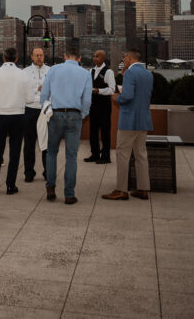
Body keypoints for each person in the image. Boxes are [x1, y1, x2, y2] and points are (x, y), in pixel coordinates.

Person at [40, 44, 92, 205]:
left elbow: (44, 94)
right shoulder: (85, 73)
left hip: (55, 114)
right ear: (79, 58)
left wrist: (46, 111)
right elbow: (87, 100)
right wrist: (82, 115)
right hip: (74, 115)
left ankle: (50, 187)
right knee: (71, 156)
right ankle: (69, 194)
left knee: (51, 152)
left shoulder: (54, 70)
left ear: (65, 56)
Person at [103, 49, 154, 201]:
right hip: (143, 120)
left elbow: (128, 96)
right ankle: (143, 189)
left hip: (129, 121)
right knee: (141, 155)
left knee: (123, 155)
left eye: (125, 57)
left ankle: (121, 189)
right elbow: (141, 95)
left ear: (130, 58)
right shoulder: (148, 74)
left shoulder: (131, 73)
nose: (123, 60)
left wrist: (116, 98)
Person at [0, 47, 27, 194]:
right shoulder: (23, 74)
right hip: (18, 115)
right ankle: (10, 185)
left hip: (0, 115)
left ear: (3, 58)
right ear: (16, 58)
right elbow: (28, 98)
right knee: (14, 151)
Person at [23, 47, 50, 183]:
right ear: (32, 57)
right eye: (36, 55)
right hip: (30, 109)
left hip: (45, 109)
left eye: (41, 55)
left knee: (46, 143)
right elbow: (22, 89)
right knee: (29, 143)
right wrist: (37, 88)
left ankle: (47, 172)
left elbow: (53, 88)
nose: (39, 57)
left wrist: (43, 89)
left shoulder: (50, 71)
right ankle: (29, 172)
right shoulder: (25, 72)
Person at [85, 50, 117, 165]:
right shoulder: (91, 71)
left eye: (97, 56)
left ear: (103, 58)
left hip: (104, 106)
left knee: (105, 132)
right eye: (94, 56)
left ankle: (106, 156)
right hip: (93, 106)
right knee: (92, 131)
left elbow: (112, 90)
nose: (95, 58)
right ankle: (95, 154)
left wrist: (99, 91)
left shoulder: (108, 72)